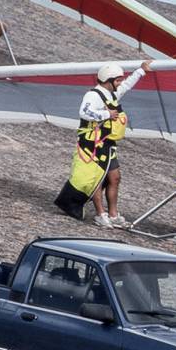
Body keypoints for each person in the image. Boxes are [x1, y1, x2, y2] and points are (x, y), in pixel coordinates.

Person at [54, 60, 153, 227]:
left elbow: (127, 86)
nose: (120, 82)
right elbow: (84, 112)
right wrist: (106, 114)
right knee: (97, 179)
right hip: (91, 145)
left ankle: (113, 214)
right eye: (118, 80)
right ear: (109, 81)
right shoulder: (93, 95)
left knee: (115, 177)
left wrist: (141, 71)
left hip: (107, 144)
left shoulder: (112, 93)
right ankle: (100, 214)